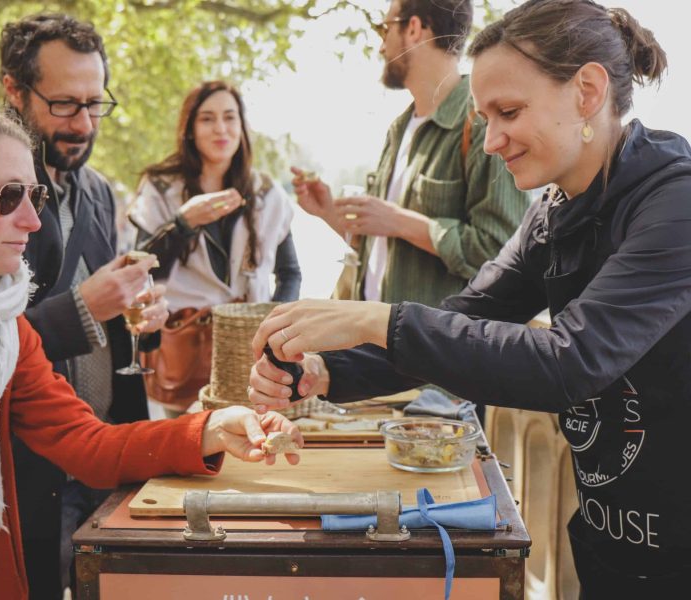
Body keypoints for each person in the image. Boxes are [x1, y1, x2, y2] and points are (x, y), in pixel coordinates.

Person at [249, 0, 691, 596]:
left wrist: (375, 317)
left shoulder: (674, 204)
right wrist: (324, 371)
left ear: (587, 90)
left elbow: (570, 361)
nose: (491, 142)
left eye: (508, 112)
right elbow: (466, 319)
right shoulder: (552, 212)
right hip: (609, 544)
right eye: (485, 118)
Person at [0, 102, 302, 600]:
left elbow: (87, 444)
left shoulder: (4, 328)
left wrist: (212, 428)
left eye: (35, 195)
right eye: (8, 196)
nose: (33, 221)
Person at [0, 14, 165, 597]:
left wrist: (141, 315)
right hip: (23, 466)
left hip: (102, 455)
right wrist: (86, 308)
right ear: (13, 91)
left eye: (96, 104)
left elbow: (109, 313)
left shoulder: (98, 190)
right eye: (65, 104)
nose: (84, 124)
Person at [292, 0, 529, 309]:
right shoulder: (398, 129)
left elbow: (500, 252)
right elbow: (380, 246)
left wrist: (398, 221)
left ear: (414, 28)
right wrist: (328, 213)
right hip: (369, 341)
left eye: (384, 29)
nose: (381, 47)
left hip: (428, 351)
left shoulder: (483, 125)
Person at [127, 81, 301, 413]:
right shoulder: (161, 188)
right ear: (190, 129)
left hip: (249, 351)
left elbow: (289, 272)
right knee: (187, 445)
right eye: (207, 119)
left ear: (242, 127)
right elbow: (142, 273)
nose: (220, 128)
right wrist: (182, 225)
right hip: (185, 349)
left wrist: (275, 327)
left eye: (229, 117)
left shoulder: (266, 192)